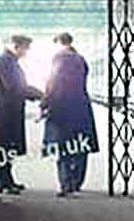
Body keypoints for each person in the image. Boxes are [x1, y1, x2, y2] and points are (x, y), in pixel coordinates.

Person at [40, 32, 99, 197]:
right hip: (81, 108)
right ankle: (77, 182)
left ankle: (66, 184)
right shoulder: (81, 59)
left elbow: (53, 82)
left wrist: (45, 103)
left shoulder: (59, 58)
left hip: (63, 109)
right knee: (81, 146)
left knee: (63, 146)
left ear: (59, 43)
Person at [0, 35, 43, 195]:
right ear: (16, 46)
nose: (26, 52)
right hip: (5, 113)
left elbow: (18, 86)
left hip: (9, 111)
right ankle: (2, 183)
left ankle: (7, 180)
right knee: (4, 148)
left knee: (8, 148)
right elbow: (15, 87)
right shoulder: (5, 61)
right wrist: (40, 95)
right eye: (25, 48)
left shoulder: (9, 61)